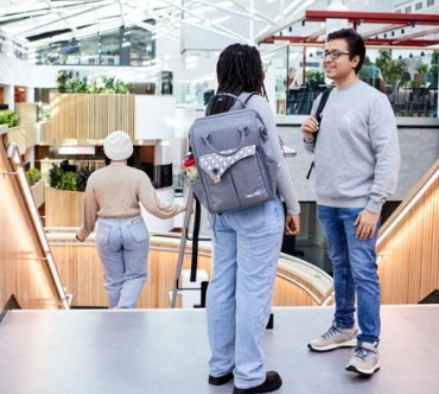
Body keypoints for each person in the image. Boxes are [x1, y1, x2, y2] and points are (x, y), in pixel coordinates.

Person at [300, 28, 400, 376]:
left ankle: (369, 345)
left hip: (360, 205)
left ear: (355, 60)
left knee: (364, 272)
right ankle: (344, 327)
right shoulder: (323, 100)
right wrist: (309, 137)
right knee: (340, 268)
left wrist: (374, 205)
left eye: (335, 54)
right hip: (327, 201)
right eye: (325, 53)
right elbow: (321, 152)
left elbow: (388, 156)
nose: (327, 59)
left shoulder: (374, 100)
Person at [205, 43, 301, 394]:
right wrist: (293, 206)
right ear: (254, 71)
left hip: (223, 210)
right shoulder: (256, 103)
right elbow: (275, 161)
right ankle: (249, 375)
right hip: (258, 209)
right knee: (254, 291)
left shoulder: (214, 103)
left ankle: (220, 367)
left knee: (222, 286)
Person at [76, 131, 186, 309]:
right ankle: (122, 312)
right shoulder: (138, 176)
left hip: (106, 229)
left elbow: (89, 211)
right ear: (130, 152)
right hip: (133, 228)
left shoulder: (95, 178)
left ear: (107, 152)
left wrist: (83, 233)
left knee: (113, 281)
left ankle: (116, 319)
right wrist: (180, 207)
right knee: (135, 277)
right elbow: (155, 207)